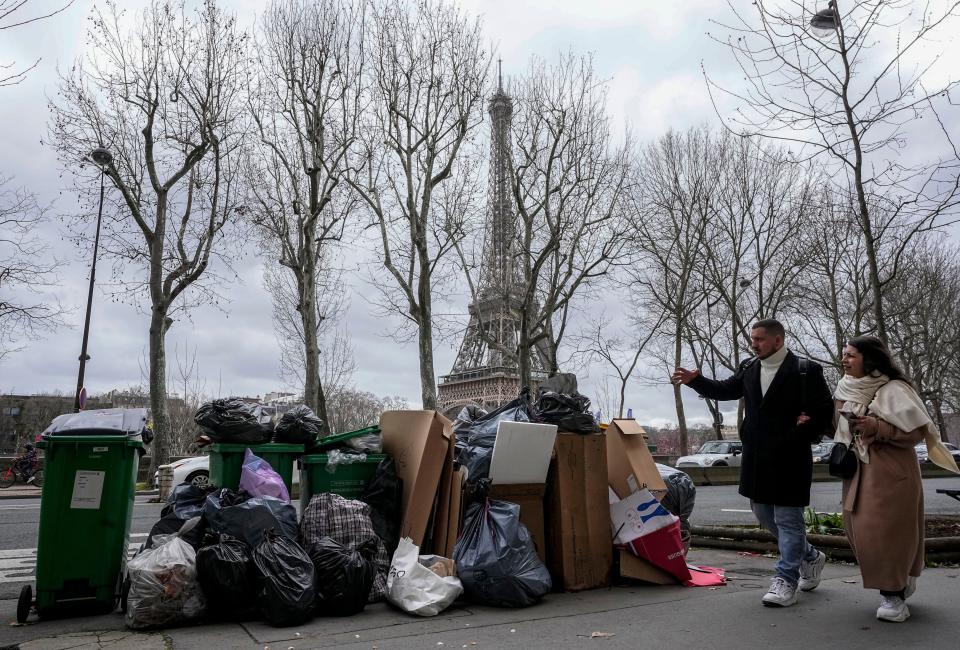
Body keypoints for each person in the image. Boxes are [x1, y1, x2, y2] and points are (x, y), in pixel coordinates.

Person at [672, 319, 834, 607]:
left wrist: (798, 434)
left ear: (778, 340)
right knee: (763, 514)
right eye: (752, 338)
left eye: (759, 339)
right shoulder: (749, 366)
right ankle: (809, 555)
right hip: (756, 456)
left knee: (788, 518)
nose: (753, 343)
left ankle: (786, 580)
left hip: (790, 457)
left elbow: (823, 412)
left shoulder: (806, 370)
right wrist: (695, 380)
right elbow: (726, 390)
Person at [834, 336, 959, 623]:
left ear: (869, 358)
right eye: (844, 354)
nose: (844, 360)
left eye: (851, 355)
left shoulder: (895, 389)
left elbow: (916, 432)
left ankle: (893, 594)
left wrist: (876, 426)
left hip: (890, 473)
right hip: (856, 471)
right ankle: (898, 581)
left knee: (887, 533)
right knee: (859, 532)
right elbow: (837, 428)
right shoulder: (844, 389)